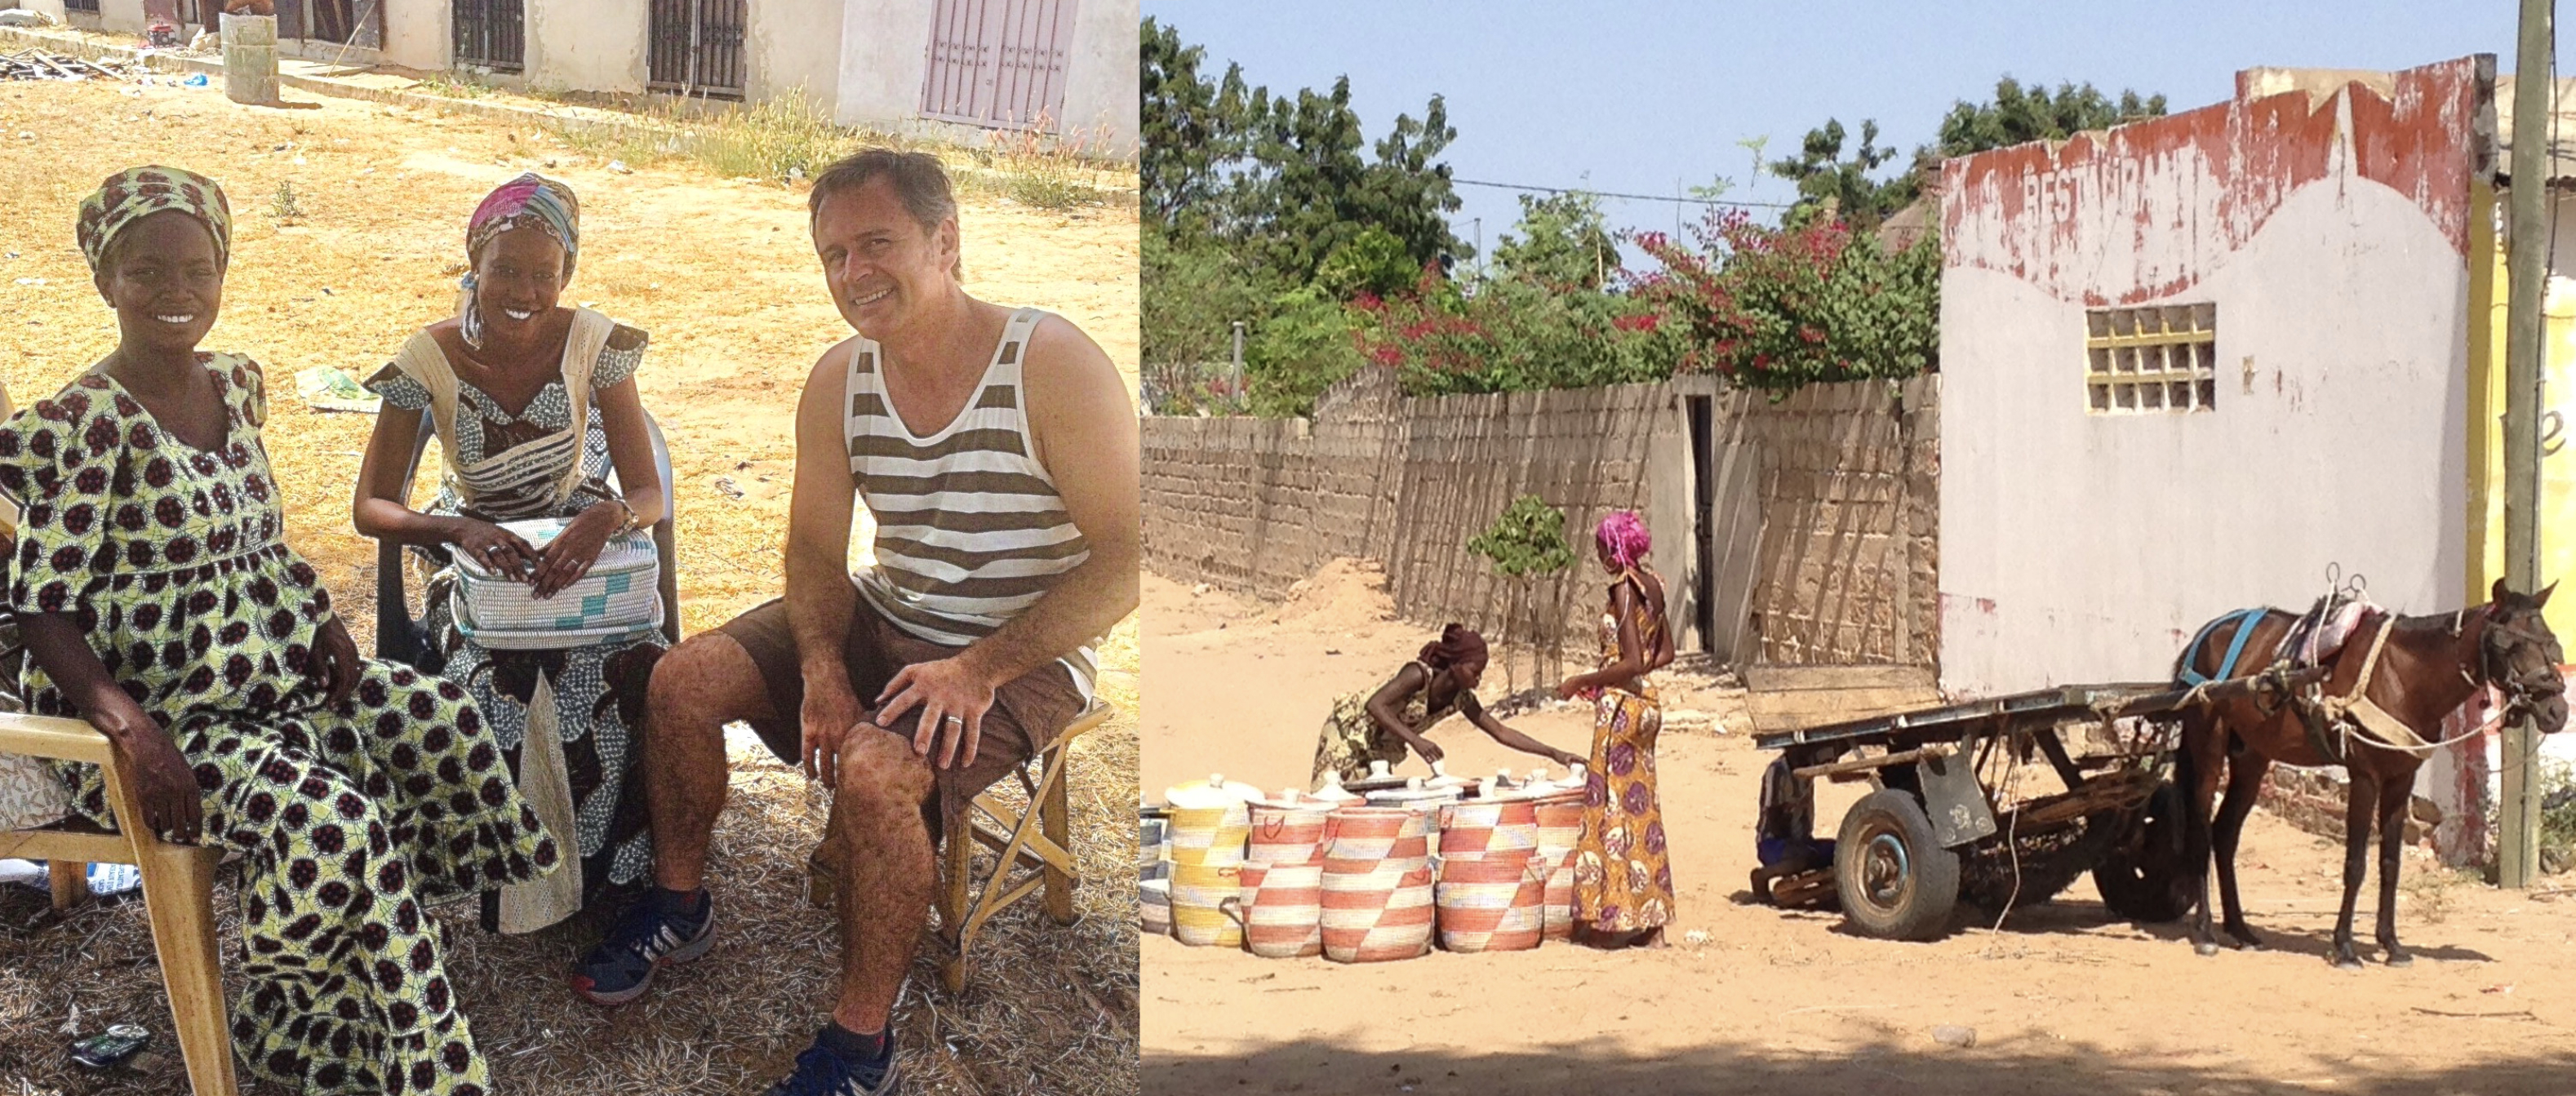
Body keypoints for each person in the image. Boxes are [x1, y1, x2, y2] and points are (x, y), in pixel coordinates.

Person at [568, 149, 1139, 1096]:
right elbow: (810, 551)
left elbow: (1127, 559)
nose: (852, 274)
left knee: (876, 771)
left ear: (945, 241)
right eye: (833, 254)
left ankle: (859, 1046)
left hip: (1023, 646)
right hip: (891, 609)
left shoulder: (1052, 365)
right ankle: (679, 900)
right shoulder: (842, 378)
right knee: (681, 679)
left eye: (877, 243)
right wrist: (827, 668)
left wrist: (980, 667)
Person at [6, 166, 553, 1094]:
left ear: (222, 272)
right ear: (106, 280)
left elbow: (258, 539)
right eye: (147, 271)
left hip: (265, 672)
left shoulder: (235, 382)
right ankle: (328, 1020)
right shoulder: (85, 423)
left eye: (196, 269)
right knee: (339, 823)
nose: (177, 294)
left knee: (434, 717)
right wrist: (134, 732)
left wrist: (320, 616)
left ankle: (355, 973)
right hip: (166, 718)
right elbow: (41, 607)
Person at [353, 172, 666, 934]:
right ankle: (521, 883)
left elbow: (650, 492)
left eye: (544, 274)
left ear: (567, 274)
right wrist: (457, 531)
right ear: (475, 266)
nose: (525, 290)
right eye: (506, 270)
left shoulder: (596, 344)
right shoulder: (427, 359)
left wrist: (606, 518)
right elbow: (371, 506)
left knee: (635, 667)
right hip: (477, 558)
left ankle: (613, 880)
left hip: (575, 542)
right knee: (497, 675)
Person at [1559, 510, 1677, 947]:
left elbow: (1629, 660)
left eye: (1601, 551)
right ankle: (1654, 925)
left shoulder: (1623, 590)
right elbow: (1663, 654)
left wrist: (1586, 680)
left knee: (1610, 809)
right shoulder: (1654, 588)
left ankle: (1613, 920)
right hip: (1645, 705)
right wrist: (1623, 675)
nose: (1600, 558)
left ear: (1614, 550)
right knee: (1643, 812)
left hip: (1622, 712)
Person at [1310, 623, 1581, 786]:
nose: (1478, 678)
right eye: (1475, 670)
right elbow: (1375, 705)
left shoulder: (1460, 697)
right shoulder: (1418, 675)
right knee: (1334, 805)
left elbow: (1500, 732)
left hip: (1380, 750)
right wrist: (1416, 741)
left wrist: (1554, 753)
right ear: (1455, 665)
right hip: (1348, 738)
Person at [1750, 750, 1836, 903]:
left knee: (1840, 849)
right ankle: (1762, 876)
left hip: (1804, 840)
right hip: (1773, 843)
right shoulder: (1777, 771)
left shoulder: (1808, 766)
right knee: (1802, 857)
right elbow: (1773, 816)